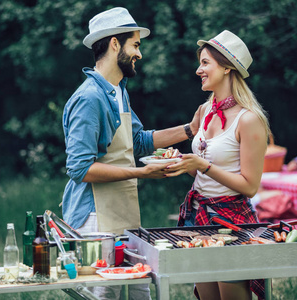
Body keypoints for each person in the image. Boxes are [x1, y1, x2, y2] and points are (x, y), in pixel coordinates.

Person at [62, 7, 200, 300]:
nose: (140, 53)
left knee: (140, 289)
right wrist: (142, 173)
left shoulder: (118, 91)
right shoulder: (89, 98)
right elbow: (79, 169)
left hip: (123, 209)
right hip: (94, 216)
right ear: (115, 43)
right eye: (135, 44)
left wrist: (190, 129)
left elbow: (137, 141)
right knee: (103, 293)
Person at [166, 30, 270, 300]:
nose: (198, 69)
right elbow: (200, 168)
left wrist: (203, 165)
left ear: (226, 67)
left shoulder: (249, 120)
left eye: (205, 63)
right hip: (197, 216)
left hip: (230, 221)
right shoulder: (204, 111)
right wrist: (181, 163)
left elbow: (250, 186)